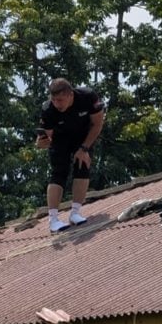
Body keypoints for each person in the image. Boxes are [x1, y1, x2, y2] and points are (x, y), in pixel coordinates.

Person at [36, 78, 105, 233]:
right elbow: (46, 139)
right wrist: (42, 141)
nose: (56, 104)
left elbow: (98, 124)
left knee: (82, 165)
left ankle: (75, 213)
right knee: (59, 172)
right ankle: (53, 219)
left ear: (70, 95)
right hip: (61, 138)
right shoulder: (48, 110)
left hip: (83, 135)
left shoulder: (88, 97)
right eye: (53, 99)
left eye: (60, 100)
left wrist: (84, 148)